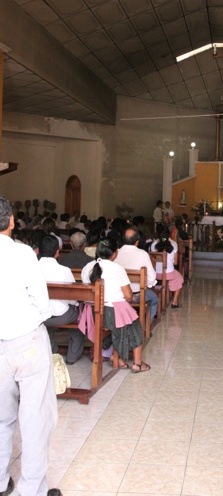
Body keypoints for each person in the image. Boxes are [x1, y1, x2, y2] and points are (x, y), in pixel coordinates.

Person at [0, 196, 61, 496]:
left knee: (0, 416)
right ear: (11, 221)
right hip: (25, 340)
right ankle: (31, 490)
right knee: (35, 416)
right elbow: (42, 303)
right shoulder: (23, 254)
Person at [81, 237, 150, 373]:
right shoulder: (117, 268)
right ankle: (137, 363)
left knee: (114, 327)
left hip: (93, 313)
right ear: (115, 253)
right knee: (135, 326)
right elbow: (129, 296)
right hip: (112, 312)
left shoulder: (88, 267)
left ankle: (116, 356)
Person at [38, 235, 85, 366]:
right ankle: (72, 355)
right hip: (61, 315)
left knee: (46, 322)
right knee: (79, 316)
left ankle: (52, 353)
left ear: (39, 250)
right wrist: (76, 304)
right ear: (57, 251)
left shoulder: (32, 269)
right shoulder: (64, 271)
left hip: (39, 315)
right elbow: (72, 298)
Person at [114, 228, 159, 323]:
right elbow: (151, 277)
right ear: (137, 242)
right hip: (137, 295)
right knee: (154, 299)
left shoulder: (115, 253)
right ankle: (143, 328)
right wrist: (148, 285)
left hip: (118, 294)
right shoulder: (143, 254)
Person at [151, 225, 184, 308]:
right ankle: (175, 301)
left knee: (172, 275)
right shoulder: (173, 244)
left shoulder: (153, 244)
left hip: (155, 273)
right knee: (179, 277)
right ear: (169, 235)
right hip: (168, 273)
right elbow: (176, 262)